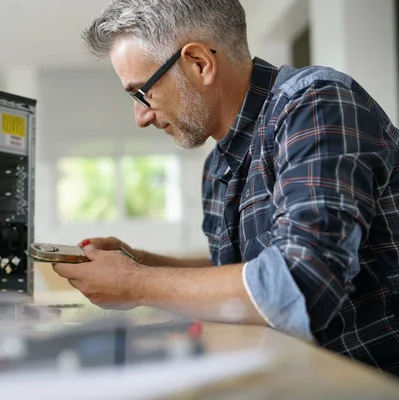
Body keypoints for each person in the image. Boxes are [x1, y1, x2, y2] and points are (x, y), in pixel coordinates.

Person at [52, 0, 399, 376]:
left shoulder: (315, 105)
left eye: (141, 93)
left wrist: (133, 282)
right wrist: (140, 262)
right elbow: (242, 274)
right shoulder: (218, 168)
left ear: (199, 63)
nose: (141, 117)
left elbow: (300, 282)